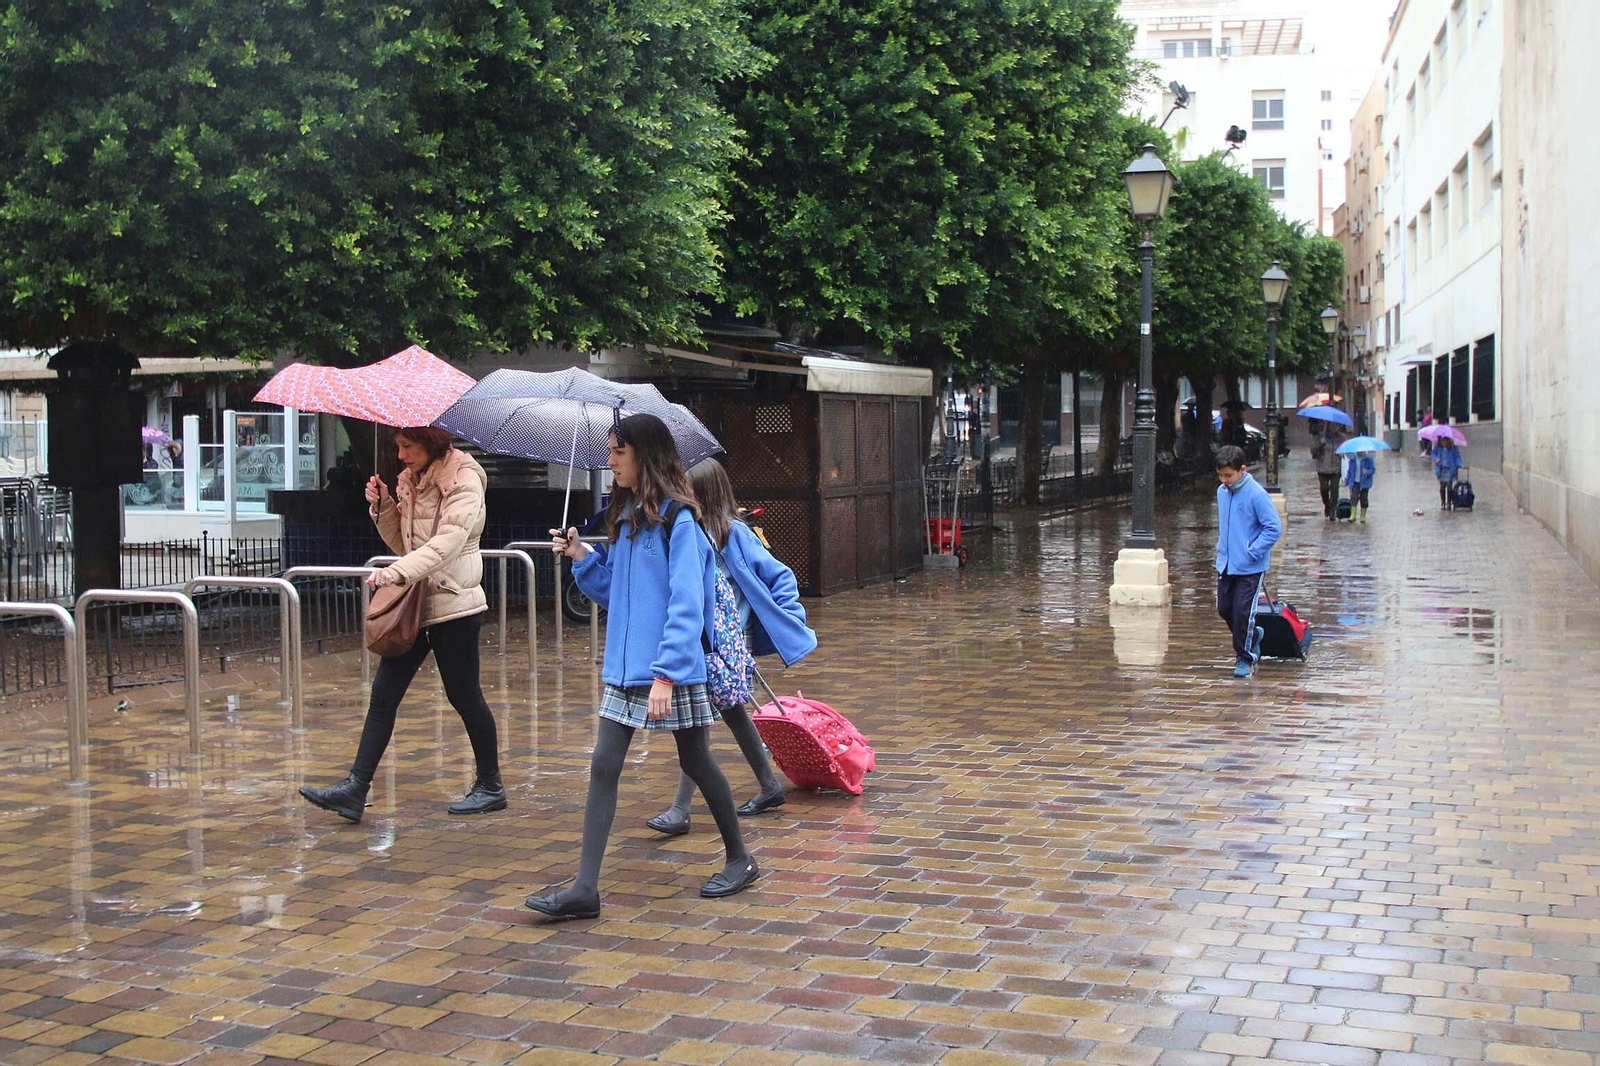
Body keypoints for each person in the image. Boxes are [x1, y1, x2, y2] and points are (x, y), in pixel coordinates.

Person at [526, 414, 759, 921]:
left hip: (669, 670)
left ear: (644, 455)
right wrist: (582, 556)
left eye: (618, 452)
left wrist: (666, 674)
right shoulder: (628, 517)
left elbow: (686, 603)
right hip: (626, 669)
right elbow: (618, 594)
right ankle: (585, 889)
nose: (609, 461)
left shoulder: (680, 520)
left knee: (696, 761)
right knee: (603, 766)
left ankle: (740, 858)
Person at [298, 426, 504, 823]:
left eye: (408, 446)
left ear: (432, 442)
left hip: (454, 603)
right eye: (398, 447)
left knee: (464, 696)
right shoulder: (411, 478)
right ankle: (356, 787)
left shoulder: (464, 478)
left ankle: (491, 785)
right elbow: (406, 545)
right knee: (383, 695)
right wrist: (384, 508)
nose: (402, 456)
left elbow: (447, 543)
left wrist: (396, 573)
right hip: (417, 602)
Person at [644, 458, 817, 836]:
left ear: (704, 492)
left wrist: (784, 618)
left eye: (687, 487)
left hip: (727, 644)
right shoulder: (686, 530)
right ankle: (768, 787)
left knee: (697, 721)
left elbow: (780, 576)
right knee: (730, 715)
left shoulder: (735, 533)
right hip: (703, 642)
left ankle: (681, 810)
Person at [1213, 445, 1282, 679]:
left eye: (1228, 475)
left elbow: (1273, 528)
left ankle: (1245, 657)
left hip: (1251, 567)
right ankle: (1252, 638)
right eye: (1221, 475)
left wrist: (1253, 551)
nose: (1224, 480)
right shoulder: (1222, 492)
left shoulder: (1256, 494)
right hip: (1226, 563)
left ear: (1242, 470)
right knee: (1224, 608)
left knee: (1243, 613)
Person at [1310, 427, 1344, 520]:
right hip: (1323, 468)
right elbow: (1313, 451)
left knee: (1334, 489)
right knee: (1324, 489)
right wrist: (1320, 444)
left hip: (1336, 468)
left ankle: (1333, 510)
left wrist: (1342, 455)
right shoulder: (1321, 436)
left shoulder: (1341, 438)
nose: (1334, 427)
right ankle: (1327, 505)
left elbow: (1347, 452)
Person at [1344, 448, 1376, 523]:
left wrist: (1367, 472)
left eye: (1361, 451)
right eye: (1358, 451)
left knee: (1364, 499)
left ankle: (1362, 517)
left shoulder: (1369, 459)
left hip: (1364, 483)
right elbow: (1349, 472)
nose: (1359, 453)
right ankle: (1353, 515)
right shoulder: (1352, 460)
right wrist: (1347, 481)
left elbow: (1373, 470)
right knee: (1353, 498)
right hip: (1354, 482)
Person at [1433, 436, 1463, 510]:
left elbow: (1457, 457)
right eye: (1442, 441)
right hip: (1441, 470)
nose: (1443, 443)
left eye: (1445, 441)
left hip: (1450, 469)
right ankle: (1443, 503)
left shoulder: (1453, 448)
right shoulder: (1438, 448)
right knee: (1442, 486)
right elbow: (1433, 453)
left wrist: (1459, 464)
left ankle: (1449, 502)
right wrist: (1436, 458)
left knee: (1449, 486)